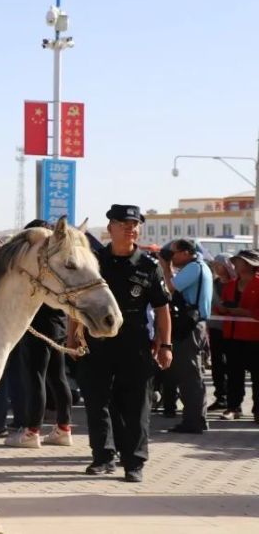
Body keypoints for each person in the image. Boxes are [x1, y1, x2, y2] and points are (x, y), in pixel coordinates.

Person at [71, 204, 171, 483]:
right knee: (97, 400)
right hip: (97, 340)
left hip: (135, 342)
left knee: (137, 403)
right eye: (124, 224)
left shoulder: (148, 265)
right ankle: (102, 457)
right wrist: (72, 336)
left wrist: (166, 346)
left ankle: (134, 462)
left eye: (135, 224)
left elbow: (162, 308)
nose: (131, 229)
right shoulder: (94, 262)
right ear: (110, 228)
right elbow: (78, 302)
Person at [7, 219, 75, 448]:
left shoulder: (38, 266)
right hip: (58, 325)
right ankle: (63, 429)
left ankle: (31, 432)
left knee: (35, 378)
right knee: (57, 377)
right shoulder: (60, 264)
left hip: (38, 326)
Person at [160, 238, 213, 433]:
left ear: (185, 252)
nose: (171, 256)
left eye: (173, 253)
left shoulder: (193, 268)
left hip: (189, 326)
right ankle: (197, 418)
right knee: (193, 373)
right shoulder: (200, 266)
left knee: (189, 374)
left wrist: (166, 267)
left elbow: (169, 287)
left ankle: (193, 421)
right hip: (195, 324)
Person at [215, 249, 259, 423]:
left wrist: (247, 313)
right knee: (234, 374)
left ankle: (257, 410)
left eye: (239, 261)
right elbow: (224, 304)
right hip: (233, 335)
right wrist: (221, 309)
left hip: (255, 337)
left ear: (249, 264)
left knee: (257, 376)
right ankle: (233, 407)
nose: (235, 264)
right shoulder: (232, 284)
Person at [205, 254, 236, 412]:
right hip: (215, 328)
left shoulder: (235, 284)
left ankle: (232, 400)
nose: (217, 267)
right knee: (217, 364)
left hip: (232, 329)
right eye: (215, 264)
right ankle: (220, 397)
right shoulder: (214, 283)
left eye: (220, 264)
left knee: (231, 365)